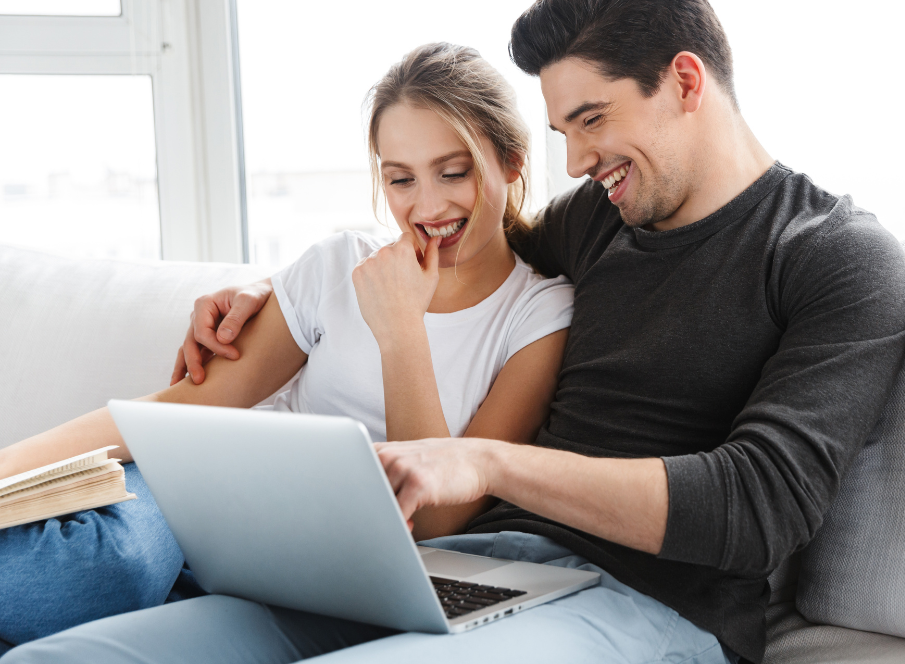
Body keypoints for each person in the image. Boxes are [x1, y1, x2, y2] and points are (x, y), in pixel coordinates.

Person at [8, 0, 905, 664]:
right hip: (467, 576)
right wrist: (269, 292)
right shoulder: (600, 222)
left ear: (684, 81)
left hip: (654, 610)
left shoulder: (835, 258)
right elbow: (460, 241)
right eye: (562, 132)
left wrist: (487, 463)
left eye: (593, 119)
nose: (576, 161)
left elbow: (758, 508)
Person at [0, 43, 574, 650]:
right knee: (108, 562)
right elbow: (183, 407)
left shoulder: (539, 314)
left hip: (330, 565)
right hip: (202, 507)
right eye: (401, 179)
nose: (427, 206)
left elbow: (434, 522)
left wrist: (401, 329)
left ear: (511, 161)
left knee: (99, 589)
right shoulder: (339, 265)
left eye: (452, 172)